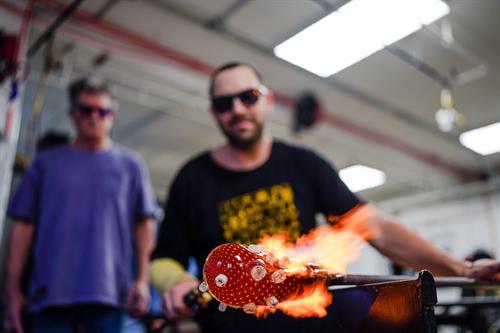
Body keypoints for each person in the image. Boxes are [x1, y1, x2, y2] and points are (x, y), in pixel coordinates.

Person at [151, 62, 500, 332]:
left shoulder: (303, 165)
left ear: (267, 100)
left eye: (249, 97)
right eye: (224, 103)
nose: (238, 109)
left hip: (307, 325)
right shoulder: (191, 180)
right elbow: (163, 260)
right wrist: (178, 283)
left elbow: (373, 226)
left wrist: (463, 268)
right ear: (214, 112)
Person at [4, 77, 157, 333]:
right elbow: (23, 227)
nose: (94, 117)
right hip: (49, 295)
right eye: (86, 110)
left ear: (113, 116)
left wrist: (142, 280)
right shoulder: (45, 164)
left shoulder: (131, 166)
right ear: (72, 114)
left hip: (109, 297)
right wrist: (12, 292)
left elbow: (144, 224)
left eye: (103, 111)